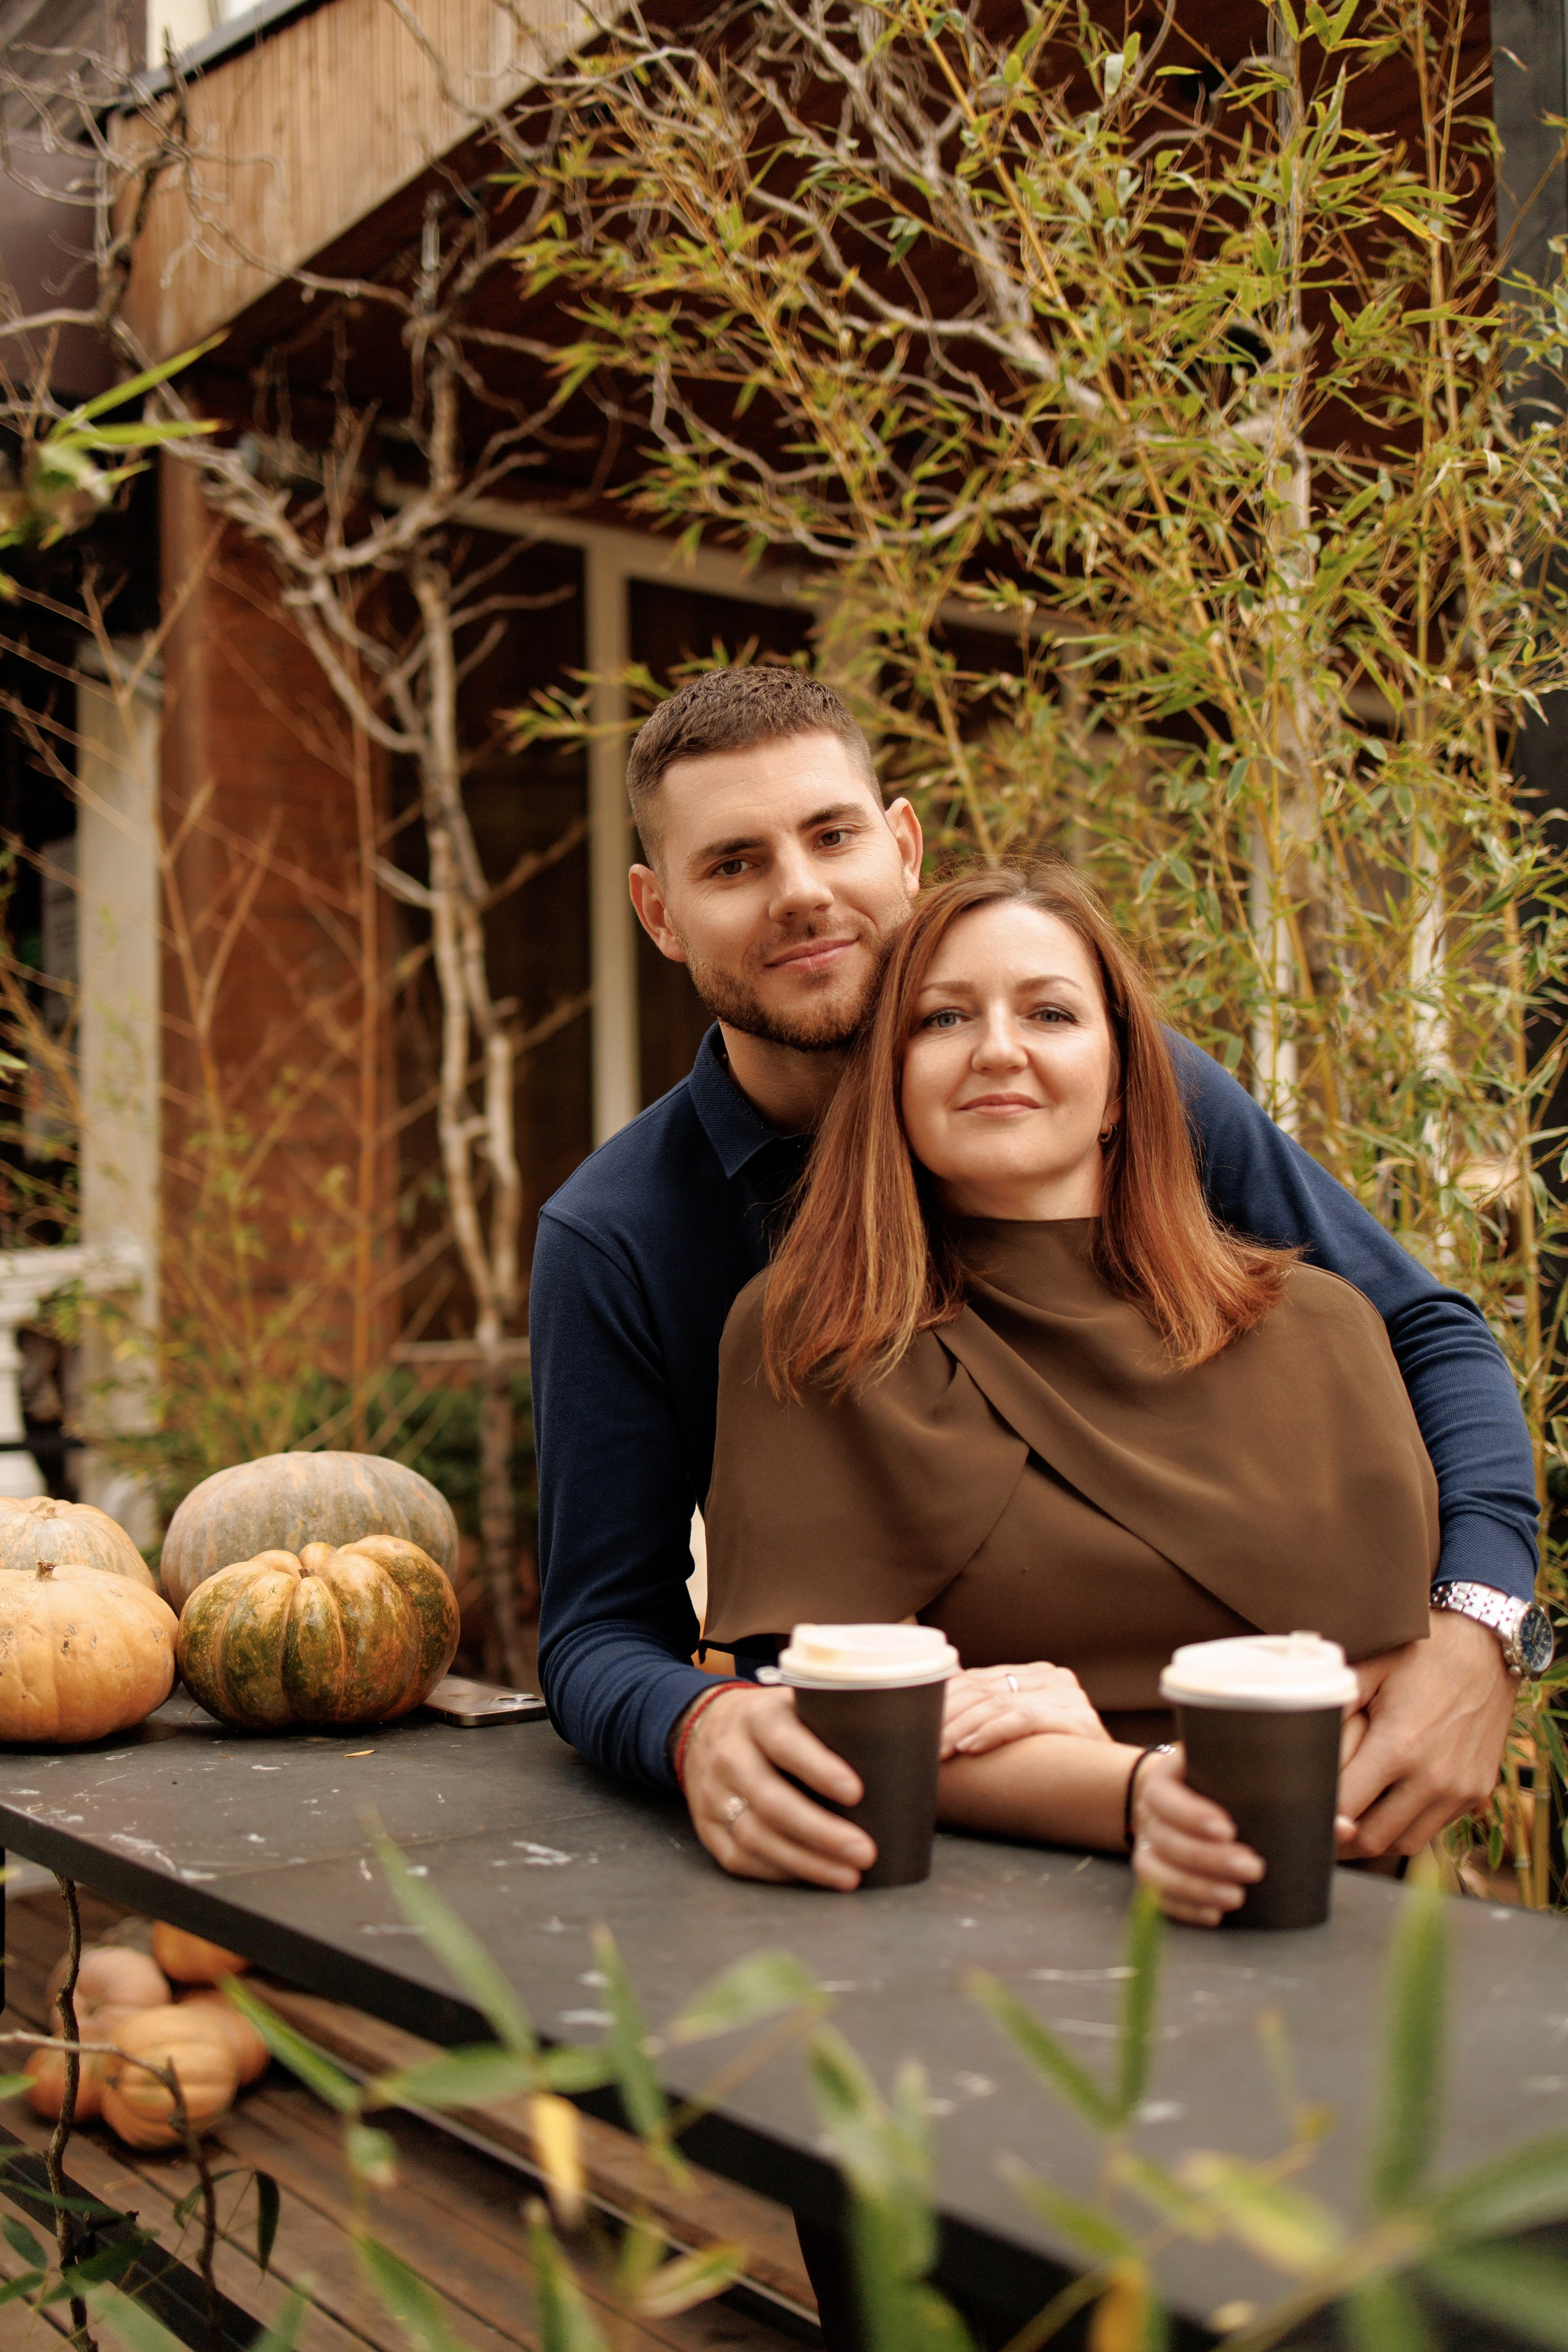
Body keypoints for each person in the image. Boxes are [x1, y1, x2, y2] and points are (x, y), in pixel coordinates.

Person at [530, 667, 1539, 1892]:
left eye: (831, 835)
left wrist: (1478, 1629)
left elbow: (1423, 1332)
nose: (800, 893)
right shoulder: (636, 1243)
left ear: (900, 846)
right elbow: (597, 1629)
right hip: (935, 1867)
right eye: (732, 864)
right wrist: (703, 1723)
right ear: (658, 912)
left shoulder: (1129, 1092)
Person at [701, 864, 1449, 1924]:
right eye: (943, 1017)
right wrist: (1138, 1786)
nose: (997, 1049)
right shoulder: (814, 1338)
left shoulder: (1321, 1324)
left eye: (1049, 1012)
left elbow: (1398, 1687)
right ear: (891, 1078)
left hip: (1349, 1913)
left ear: (1120, 1084)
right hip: (1003, 1930)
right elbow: (864, 1735)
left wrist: (1112, 1748)